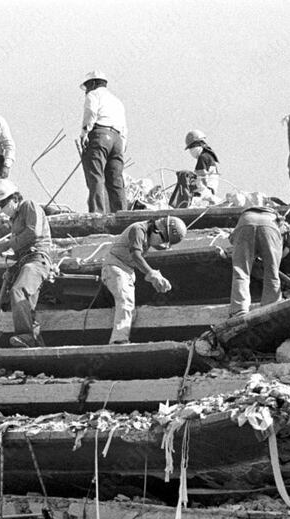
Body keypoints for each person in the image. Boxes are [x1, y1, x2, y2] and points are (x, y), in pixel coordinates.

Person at [0, 179, 53, 348]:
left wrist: (9, 243)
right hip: (26, 261)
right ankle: (35, 341)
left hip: (37, 259)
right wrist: (12, 264)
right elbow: (21, 247)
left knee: (19, 290)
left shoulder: (28, 206)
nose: (1, 207)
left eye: (3, 203)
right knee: (25, 302)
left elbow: (33, 233)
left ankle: (26, 336)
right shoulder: (14, 219)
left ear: (15, 198)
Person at [102, 217, 186, 344]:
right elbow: (136, 256)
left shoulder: (150, 231)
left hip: (127, 271)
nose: (162, 243)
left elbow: (154, 242)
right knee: (125, 301)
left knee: (130, 309)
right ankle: (118, 340)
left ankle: (120, 334)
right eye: (163, 239)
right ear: (158, 231)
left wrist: (165, 246)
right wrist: (153, 274)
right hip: (114, 267)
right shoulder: (138, 230)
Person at [229, 206, 290, 317]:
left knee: (241, 273)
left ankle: (239, 310)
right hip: (270, 226)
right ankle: (270, 307)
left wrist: (250, 255)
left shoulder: (283, 228)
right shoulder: (287, 233)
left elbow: (232, 240)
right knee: (272, 274)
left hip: (245, 221)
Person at [79, 70, 127, 213]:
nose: (86, 90)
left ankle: (97, 213)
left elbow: (90, 113)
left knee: (96, 176)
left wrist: (85, 132)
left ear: (93, 83)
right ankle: (122, 214)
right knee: (116, 180)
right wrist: (121, 145)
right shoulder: (117, 101)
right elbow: (124, 128)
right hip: (117, 140)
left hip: (100, 135)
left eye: (87, 86)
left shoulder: (93, 95)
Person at [184, 129, 220, 196]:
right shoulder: (208, 155)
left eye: (191, 147)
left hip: (206, 190)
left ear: (198, 145)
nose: (191, 150)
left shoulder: (203, 157)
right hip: (211, 189)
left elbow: (202, 178)